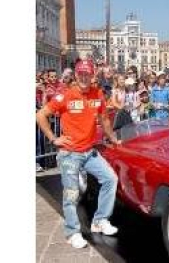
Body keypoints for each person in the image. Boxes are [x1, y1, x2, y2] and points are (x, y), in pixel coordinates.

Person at [36, 60, 121, 249]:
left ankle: (100, 221)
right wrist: (53, 139)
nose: (84, 77)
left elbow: (105, 119)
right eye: (81, 73)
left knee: (110, 179)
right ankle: (72, 232)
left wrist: (113, 139)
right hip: (69, 154)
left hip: (89, 152)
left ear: (92, 76)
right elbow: (41, 115)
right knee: (71, 194)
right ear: (76, 75)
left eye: (87, 74)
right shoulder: (65, 95)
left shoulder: (98, 94)